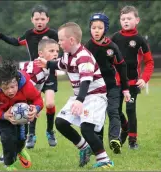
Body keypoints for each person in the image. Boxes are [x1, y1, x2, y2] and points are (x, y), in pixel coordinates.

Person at [0, 39, 59, 163]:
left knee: (17, 133)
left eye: (57, 51)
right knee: (8, 131)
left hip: (19, 101)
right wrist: (7, 114)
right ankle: (6, 157)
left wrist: (35, 108)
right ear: (41, 53)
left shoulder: (41, 71)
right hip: (5, 104)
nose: (56, 54)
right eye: (51, 51)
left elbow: (35, 96)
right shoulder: (33, 73)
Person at [35, 22, 114, 168]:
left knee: (86, 128)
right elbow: (60, 64)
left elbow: (86, 81)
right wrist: (46, 63)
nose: (59, 43)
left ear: (71, 40)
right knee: (60, 122)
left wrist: (79, 100)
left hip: (95, 96)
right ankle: (84, 147)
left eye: (60, 40)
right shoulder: (67, 54)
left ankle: (104, 160)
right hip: (80, 96)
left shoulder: (83, 56)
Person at [0, 4, 58, 148]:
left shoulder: (53, 34)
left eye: (42, 19)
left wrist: (56, 64)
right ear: (32, 19)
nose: (40, 21)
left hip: (48, 72)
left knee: (49, 103)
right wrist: (0, 35)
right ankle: (31, 134)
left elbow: (59, 49)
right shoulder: (29, 34)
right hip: (34, 73)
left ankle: (50, 131)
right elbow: (15, 41)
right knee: (32, 103)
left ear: (47, 19)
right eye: (37, 19)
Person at [0, 59, 44, 171]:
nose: (10, 91)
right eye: (5, 88)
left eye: (13, 86)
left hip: (22, 114)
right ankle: (8, 163)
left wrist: (35, 109)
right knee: (8, 137)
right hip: (2, 115)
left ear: (17, 81)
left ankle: (20, 150)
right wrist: (3, 115)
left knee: (21, 137)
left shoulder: (26, 85)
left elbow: (38, 99)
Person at [84, 13, 131, 154]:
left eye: (100, 27)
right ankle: (97, 145)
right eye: (93, 28)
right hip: (96, 87)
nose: (96, 30)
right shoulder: (87, 46)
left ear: (105, 29)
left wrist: (126, 89)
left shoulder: (112, 47)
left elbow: (122, 67)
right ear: (90, 29)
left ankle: (114, 139)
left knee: (113, 111)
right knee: (97, 115)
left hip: (113, 86)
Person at [111, 5, 154, 149]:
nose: (126, 21)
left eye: (129, 18)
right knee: (115, 110)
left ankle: (132, 141)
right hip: (116, 82)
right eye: (123, 19)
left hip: (133, 83)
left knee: (130, 110)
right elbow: (107, 56)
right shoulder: (115, 38)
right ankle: (125, 128)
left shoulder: (140, 40)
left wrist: (144, 78)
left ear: (137, 20)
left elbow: (149, 62)